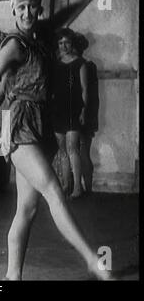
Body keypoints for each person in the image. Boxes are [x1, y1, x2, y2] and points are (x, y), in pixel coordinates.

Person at [0, 0, 113, 280]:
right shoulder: (13, 45)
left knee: (26, 210)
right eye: (21, 7)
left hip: (40, 126)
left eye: (31, 6)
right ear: (12, 9)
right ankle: (92, 261)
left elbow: (66, 13)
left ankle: (12, 276)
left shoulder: (41, 37)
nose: (27, 12)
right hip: (19, 126)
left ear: (38, 7)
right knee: (53, 191)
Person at [51, 28, 89, 199]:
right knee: (62, 150)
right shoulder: (55, 64)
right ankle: (66, 185)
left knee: (72, 148)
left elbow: (85, 89)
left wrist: (84, 110)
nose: (63, 46)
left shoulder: (80, 63)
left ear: (71, 43)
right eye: (60, 43)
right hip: (58, 109)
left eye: (66, 42)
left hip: (74, 109)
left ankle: (77, 188)